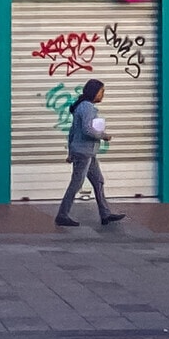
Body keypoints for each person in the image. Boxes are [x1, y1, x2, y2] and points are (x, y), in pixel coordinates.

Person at [55, 78, 124, 229]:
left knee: (98, 181)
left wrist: (70, 151)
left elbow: (73, 131)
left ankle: (105, 214)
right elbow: (87, 130)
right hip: (84, 152)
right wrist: (103, 135)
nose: (103, 94)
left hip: (86, 152)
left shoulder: (83, 106)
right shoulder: (87, 108)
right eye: (102, 91)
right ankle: (62, 215)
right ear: (94, 92)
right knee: (76, 183)